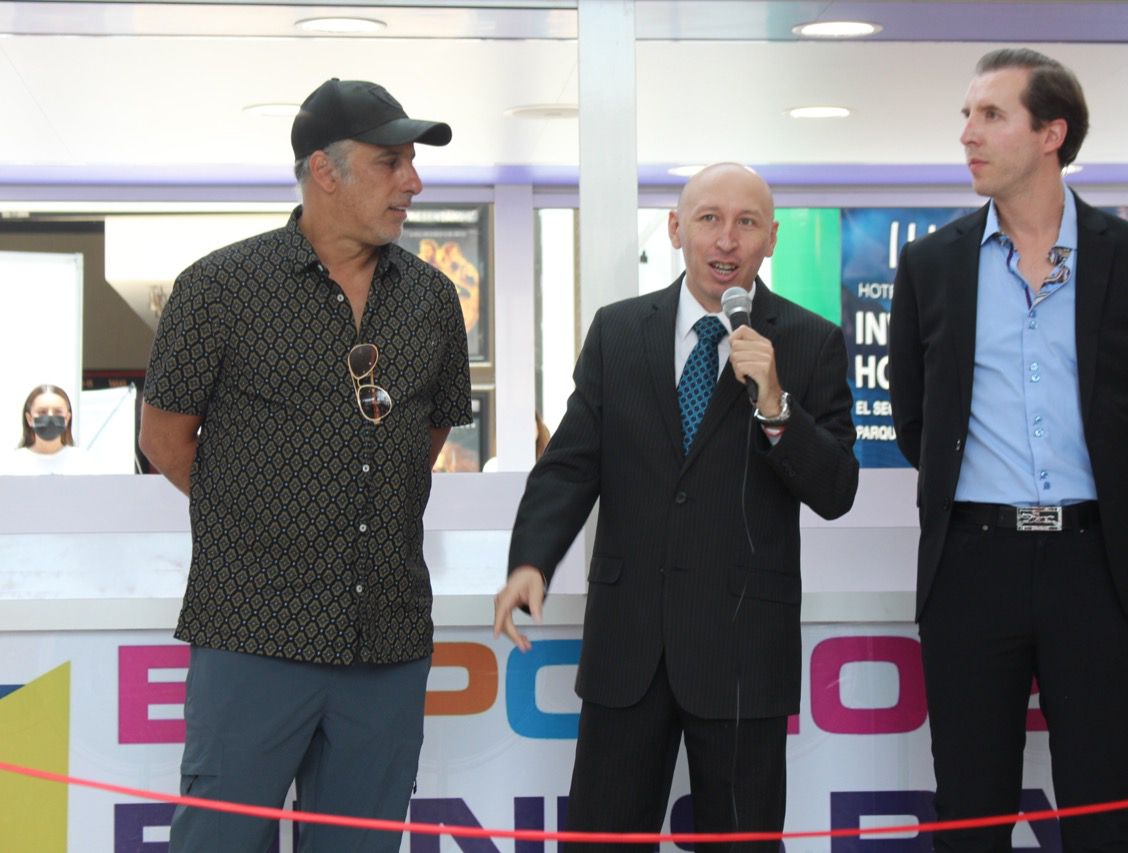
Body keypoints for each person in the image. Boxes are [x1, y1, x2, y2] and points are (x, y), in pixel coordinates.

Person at [138, 78, 471, 853]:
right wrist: (263, 516)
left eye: (413, 163)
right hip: (252, 632)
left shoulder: (431, 299)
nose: (413, 182)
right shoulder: (220, 287)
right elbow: (164, 439)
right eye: (390, 162)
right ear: (325, 170)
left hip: (386, 638)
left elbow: (422, 437)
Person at [494, 163, 859, 851]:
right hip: (628, 643)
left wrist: (777, 405)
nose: (727, 239)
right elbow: (570, 464)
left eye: (747, 222)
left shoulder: (809, 341)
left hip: (743, 649)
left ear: (772, 237)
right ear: (674, 229)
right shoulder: (618, 331)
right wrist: (530, 560)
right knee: (601, 843)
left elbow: (837, 489)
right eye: (708, 219)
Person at [888, 49, 1128, 851]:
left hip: (1097, 566)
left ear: (1051, 133)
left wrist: (1113, 501)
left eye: (991, 115)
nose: (968, 134)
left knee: (1103, 810)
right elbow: (915, 418)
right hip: (970, 566)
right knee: (970, 813)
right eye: (966, 115)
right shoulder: (930, 264)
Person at [4, 384, 99, 475]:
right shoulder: (10, 465)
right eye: (42, 412)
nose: (50, 416)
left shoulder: (84, 463)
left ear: (67, 418)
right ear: (29, 419)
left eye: (57, 412)